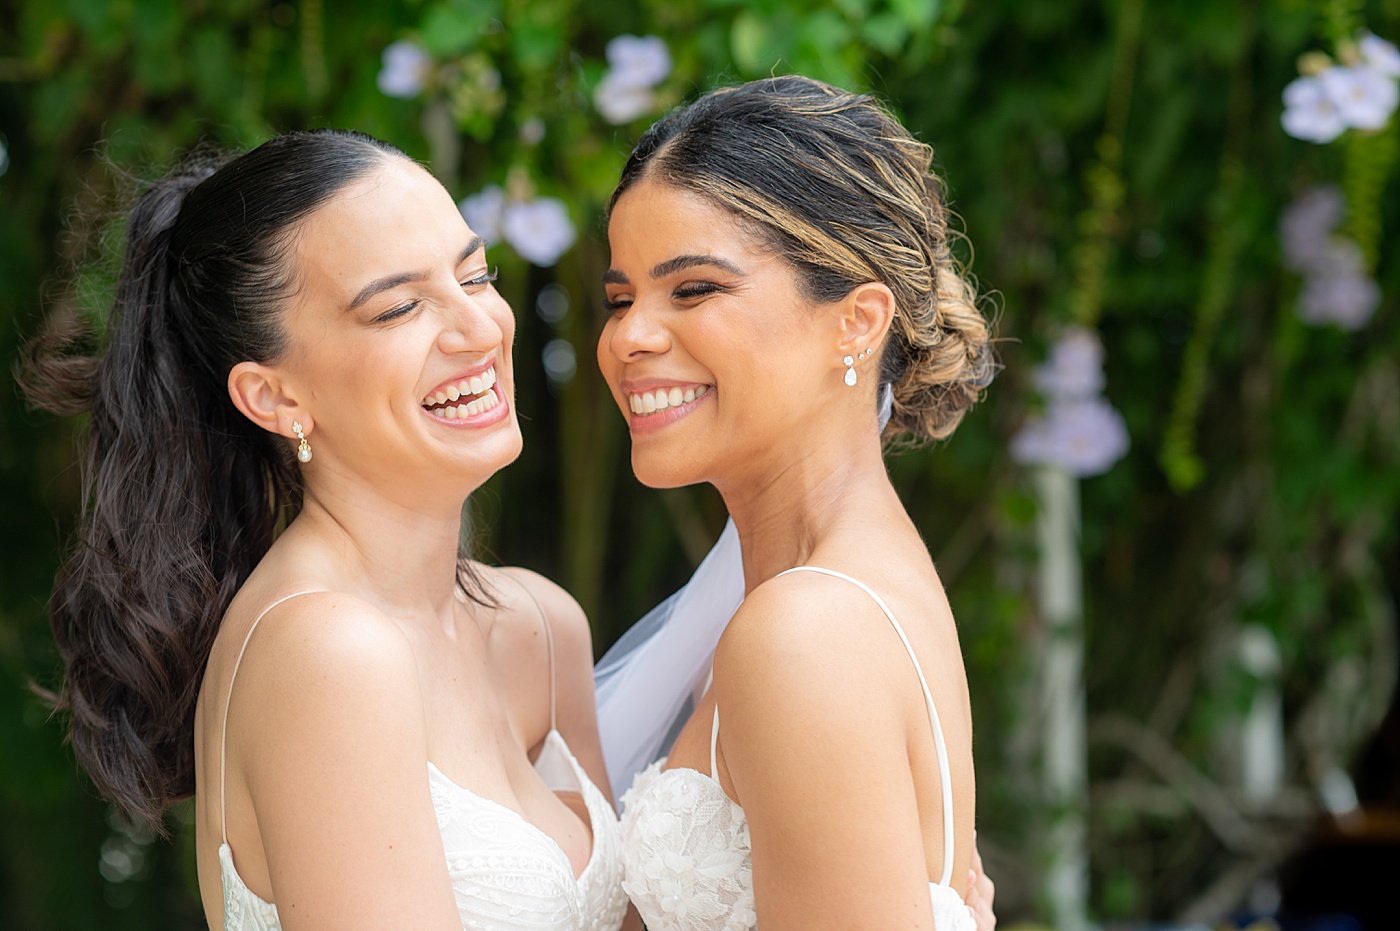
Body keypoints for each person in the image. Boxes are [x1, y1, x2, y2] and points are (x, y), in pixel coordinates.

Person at [22, 130, 628, 931]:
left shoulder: (542, 629)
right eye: (400, 306)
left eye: (476, 275)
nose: (480, 329)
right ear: (274, 398)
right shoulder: (324, 648)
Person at [594, 75, 996, 930]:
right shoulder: (834, 588)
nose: (629, 336)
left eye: (694, 289)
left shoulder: (806, 629)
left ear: (855, 321)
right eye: (620, 298)